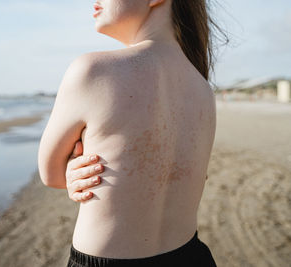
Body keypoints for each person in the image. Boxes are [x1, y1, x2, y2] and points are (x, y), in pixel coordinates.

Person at [38, 0, 225, 266]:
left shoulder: (93, 71)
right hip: (192, 256)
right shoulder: (203, 89)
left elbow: (50, 174)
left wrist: (70, 168)